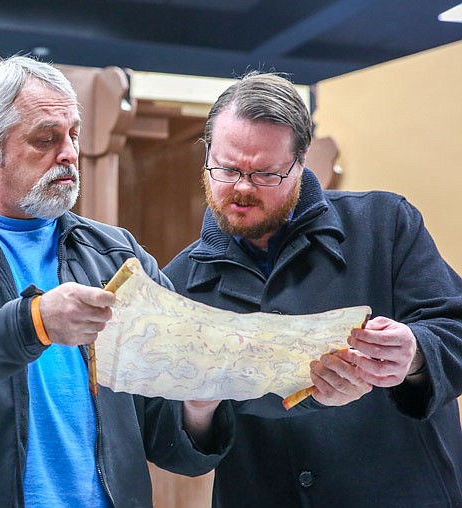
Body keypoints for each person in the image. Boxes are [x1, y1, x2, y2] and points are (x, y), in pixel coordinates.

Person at [0, 55, 234, 508]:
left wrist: (198, 408)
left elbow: (164, 435)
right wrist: (37, 321)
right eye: (45, 138)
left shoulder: (117, 254)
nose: (67, 152)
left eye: (73, 135)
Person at [163, 71, 462, 507]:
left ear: (300, 163)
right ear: (207, 153)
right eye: (227, 169)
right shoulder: (180, 282)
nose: (242, 189)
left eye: (266, 174)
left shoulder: (386, 224)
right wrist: (196, 407)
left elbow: (455, 327)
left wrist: (414, 353)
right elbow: (174, 448)